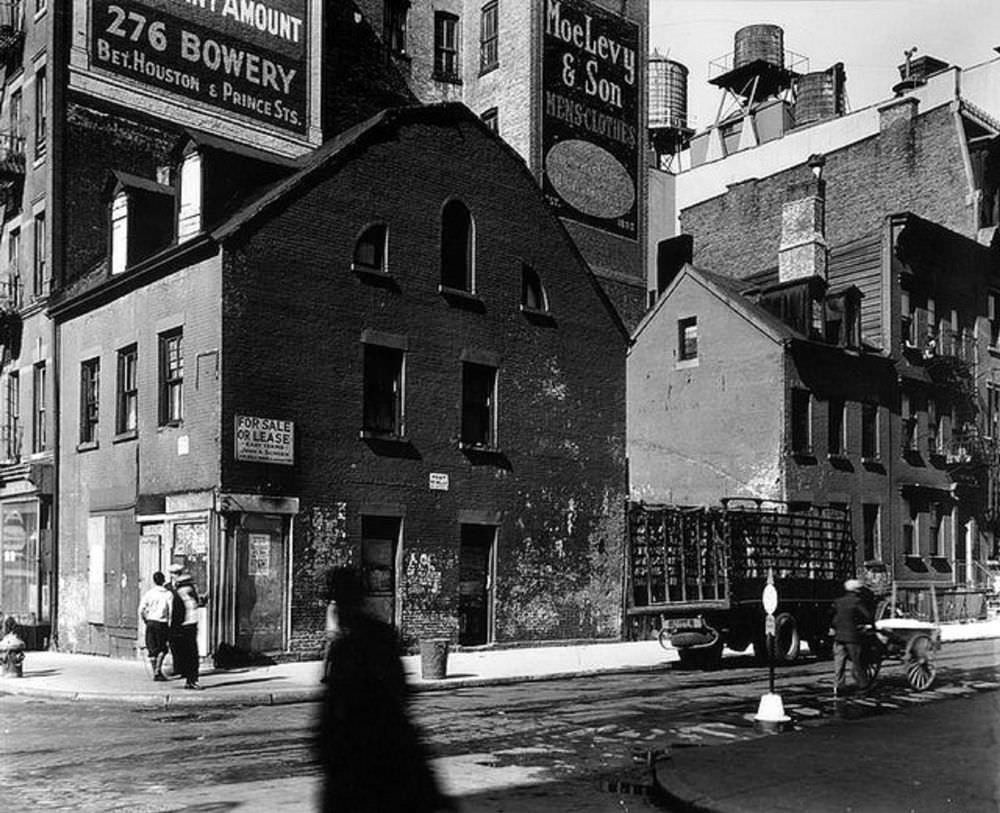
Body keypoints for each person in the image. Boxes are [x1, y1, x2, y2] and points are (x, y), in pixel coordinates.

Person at [315, 567, 452, 812]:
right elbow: (402, 690)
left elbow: (336, 709)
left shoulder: (356, 643)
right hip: (379, 752)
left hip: (370, 756)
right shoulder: (374, 636)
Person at [830, 577, 874, 695]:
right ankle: (863, 685)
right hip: (851, 637)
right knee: (858, 662)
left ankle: (838, 686)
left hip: (838, 637)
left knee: (839, 663)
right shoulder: (856, 601)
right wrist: (871, 625)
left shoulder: (838, 601)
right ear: (856, 590)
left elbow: (833, 617)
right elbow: (867, 616)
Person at [169, 563, 204, 690]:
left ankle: (191, 679)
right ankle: (190, 678)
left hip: (186, 624)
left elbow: (182, 608)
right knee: (188, 652)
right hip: (186, 624)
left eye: (175, 574)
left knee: (190, 653)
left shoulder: (183, 589)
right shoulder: (186, 588)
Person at [138, 571, 172, 682]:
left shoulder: (149, 593)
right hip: (162, 623)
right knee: (162, 648)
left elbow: (141, 609)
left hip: (150, 622)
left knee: (152, 649)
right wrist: (170, 625)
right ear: (163, 580)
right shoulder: (168, 594)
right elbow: (171, 611)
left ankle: (155, 672)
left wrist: (145, 619)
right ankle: (158, 670)